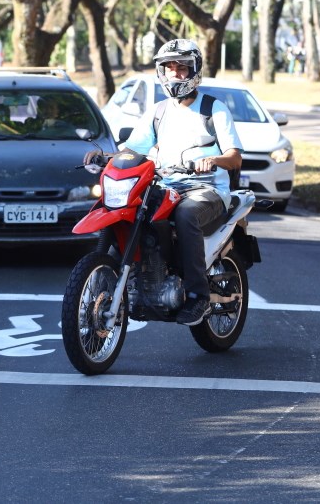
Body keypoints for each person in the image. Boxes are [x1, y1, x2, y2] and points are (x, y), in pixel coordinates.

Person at [85, 38, 243, 325]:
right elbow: (132, 151)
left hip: (207, 189)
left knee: (185, 215)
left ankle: (198, 296)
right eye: (169, 67)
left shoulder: (213, 108)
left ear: (194, 71)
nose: (175, 73)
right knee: (135, 213)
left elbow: (234, 157)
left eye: (182, 68)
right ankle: (136, 278)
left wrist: (213, 161)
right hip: (167, 186)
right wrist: (105, 157)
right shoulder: (158, 111)